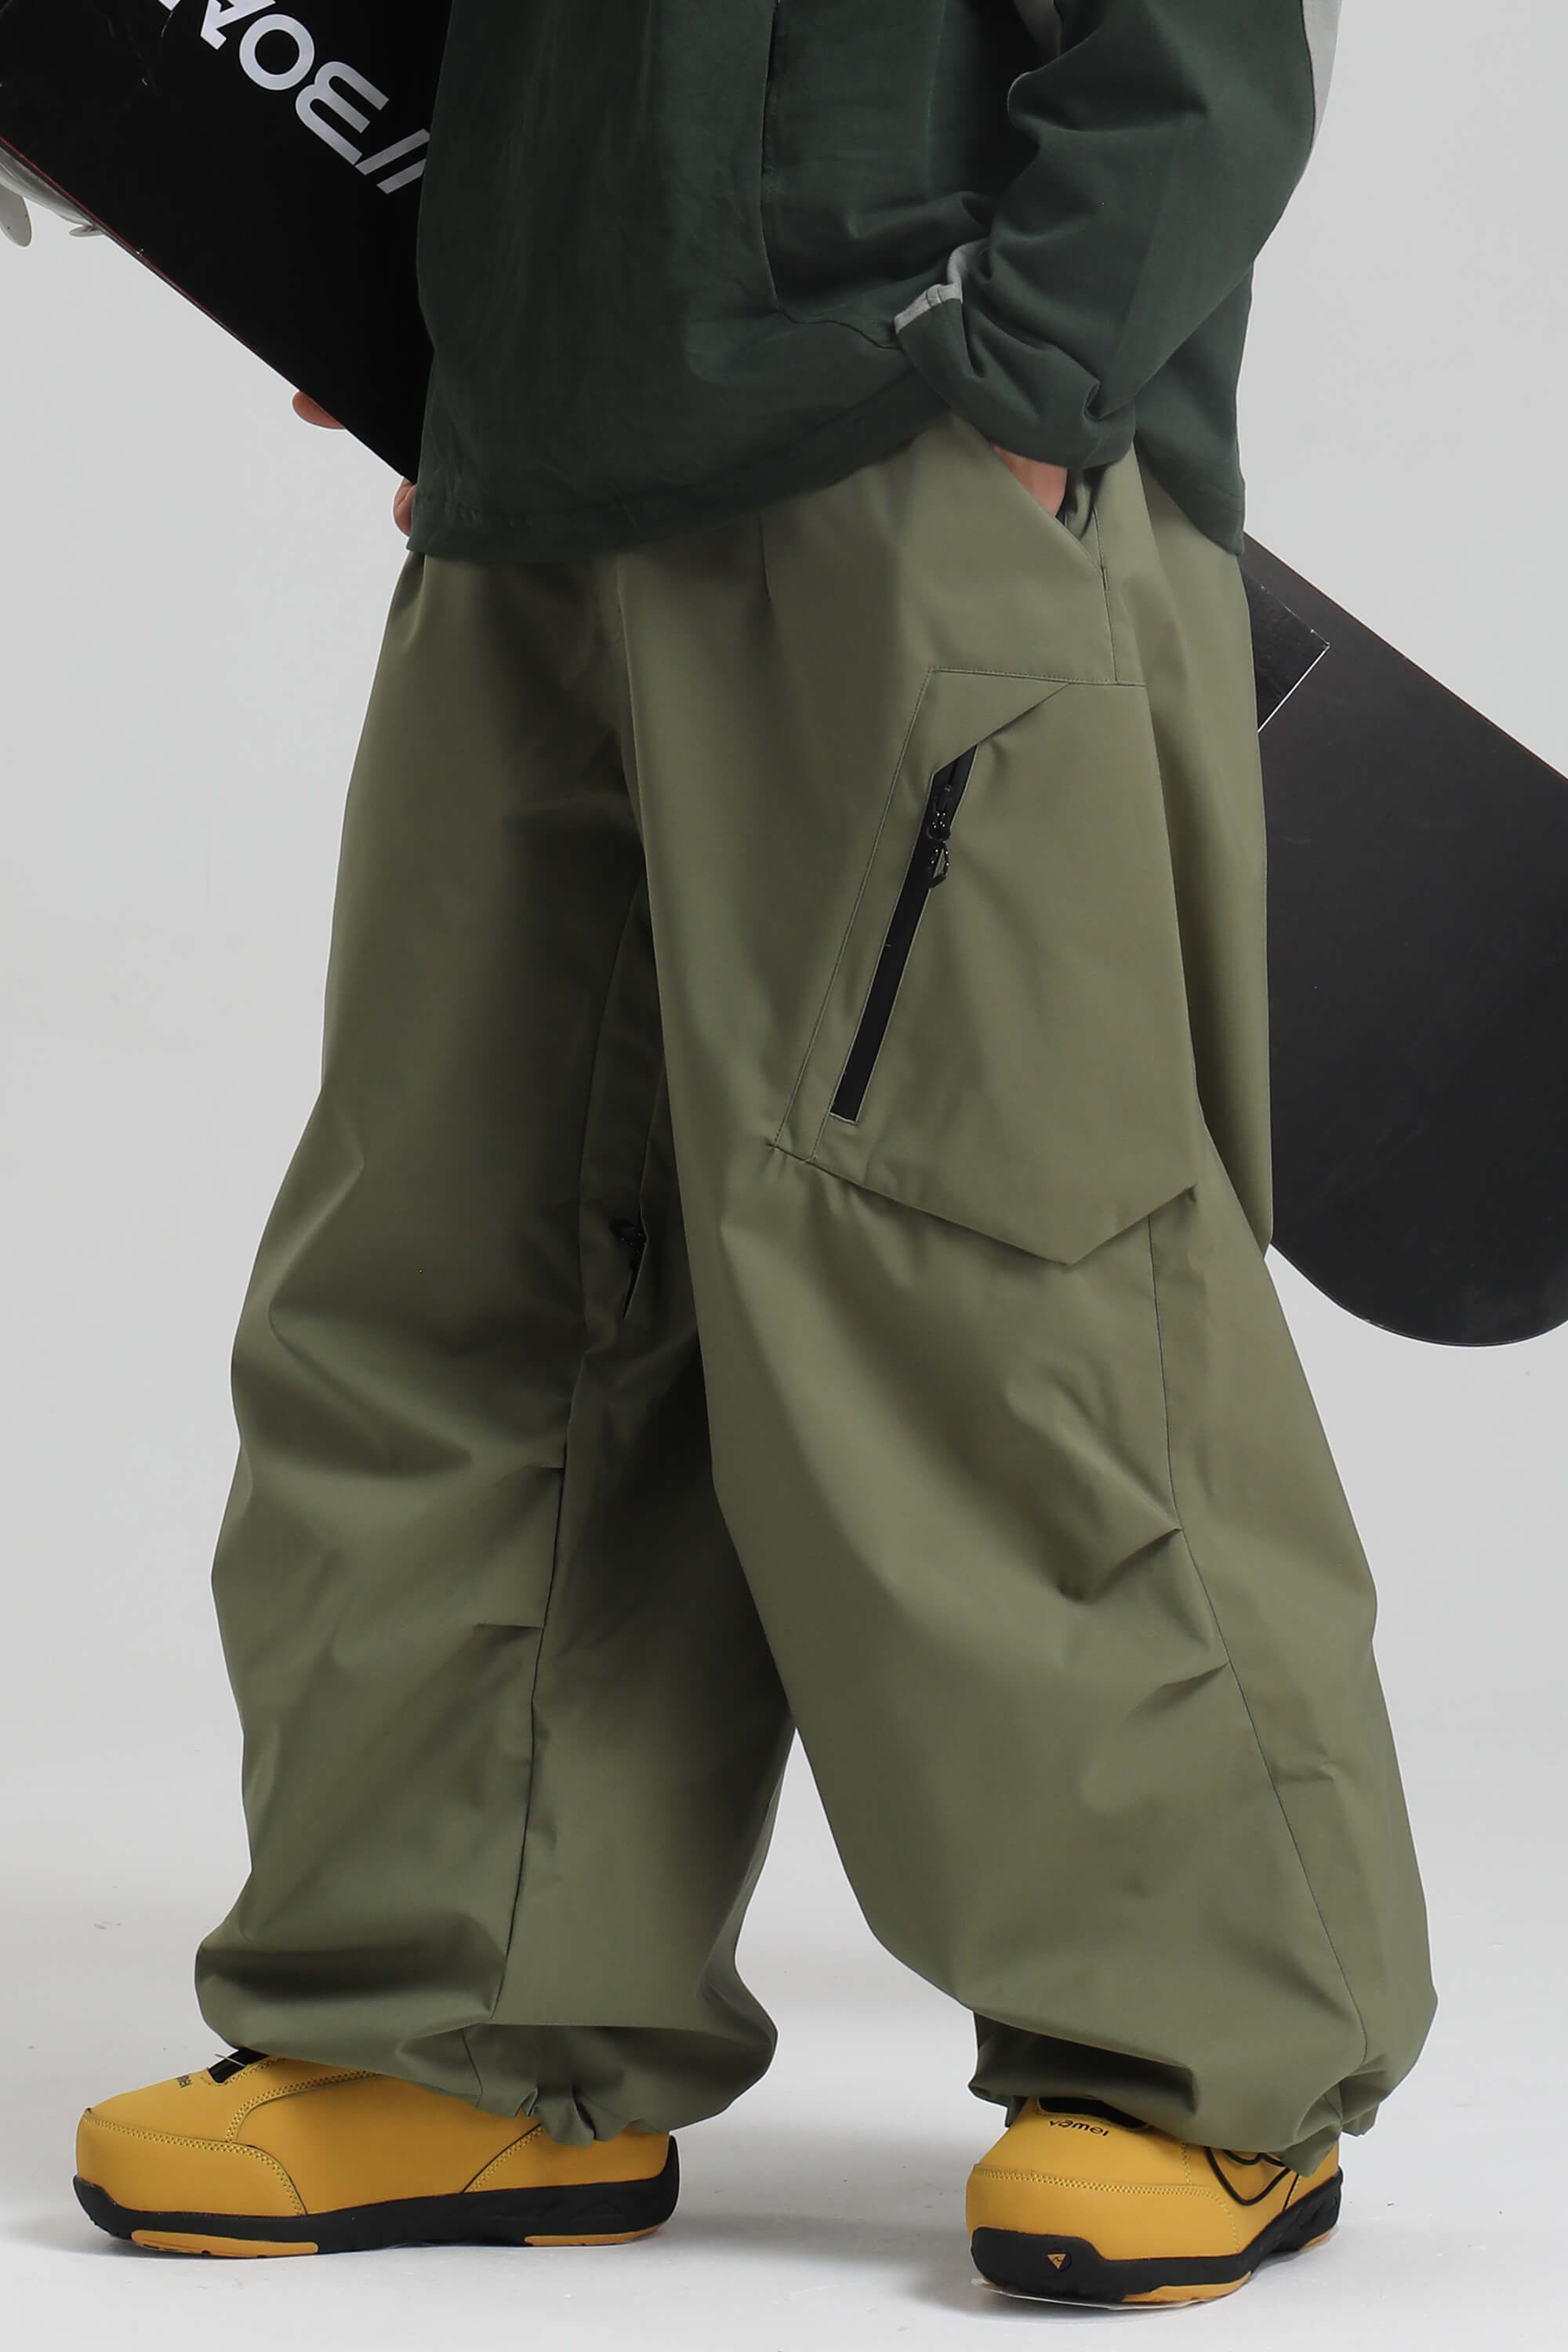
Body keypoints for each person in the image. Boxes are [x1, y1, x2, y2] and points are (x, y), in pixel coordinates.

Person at [67, 0, 1434, 2309]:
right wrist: (413, 279)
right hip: (538, 474)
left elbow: (1201, 43)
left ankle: (1210, 2043)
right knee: (460, 1269)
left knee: (992, 1274)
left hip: (914, 461)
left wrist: (1036, 382)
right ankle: (463, 2018)